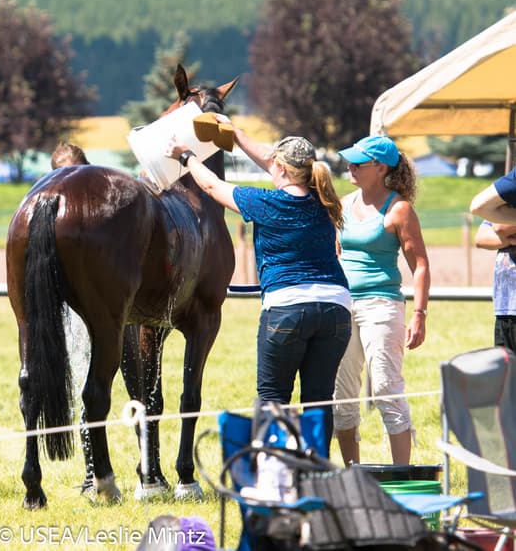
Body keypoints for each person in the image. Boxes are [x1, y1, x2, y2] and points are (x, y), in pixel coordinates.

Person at [165, 115, 352, 450]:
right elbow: (273, 162)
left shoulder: (266, 203)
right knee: (319, 399)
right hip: (336, 308)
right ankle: (316, 471)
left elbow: (212, 187)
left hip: (286, 309)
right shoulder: (322, 199)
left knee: (273, 397)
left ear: (280, 168)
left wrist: (186, 156)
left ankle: (275, 470)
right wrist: (235, 133)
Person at [332, 135, 430, 467]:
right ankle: (353, 473)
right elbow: (336, 254)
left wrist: (419, 314)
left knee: (386, 387)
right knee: (342, 395)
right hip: (343, 306)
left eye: (358, 163)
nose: (350, 166)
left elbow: (420, 265)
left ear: (381, 168)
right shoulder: (343, 205)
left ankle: (402, 475)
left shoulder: (399, 209)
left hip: (382, 306)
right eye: (350, 161)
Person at [474, 220, 516, 352]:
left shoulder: (501, 213)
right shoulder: (504, 209)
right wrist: (510, 240)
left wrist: (503, 234)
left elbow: (500, 227)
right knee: (506, 364)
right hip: (505, 308)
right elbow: (481, 239)